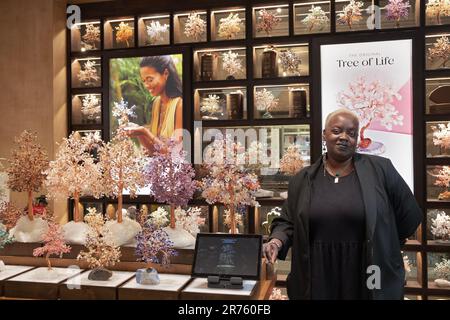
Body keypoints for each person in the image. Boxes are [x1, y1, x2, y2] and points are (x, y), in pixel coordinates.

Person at [263, 108, 422, 300]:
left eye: (351, 133)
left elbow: (409, 215)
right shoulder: (303, 179)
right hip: (317, 271)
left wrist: (385, 241)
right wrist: (276, 241)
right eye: (336, 131)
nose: (344, 137)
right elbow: (287, 222)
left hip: (370, 267)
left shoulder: (381, 170)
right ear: (324, 135)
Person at [126, 55, 183, 153]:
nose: (146, 85)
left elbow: (174, 153)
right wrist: (139, 133)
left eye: (150, 79)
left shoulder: (180, 104)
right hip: (159, 166)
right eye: (144, 81)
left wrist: (145, 132)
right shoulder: (156, 103)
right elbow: (154, 150)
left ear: (165, 73)